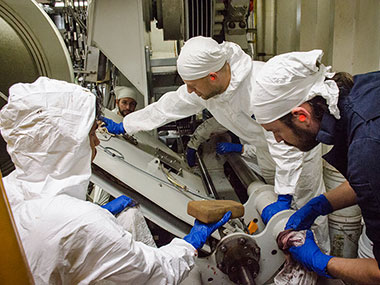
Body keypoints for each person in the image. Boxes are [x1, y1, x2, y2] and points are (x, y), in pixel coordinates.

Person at [101, 36, 329, 252]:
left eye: (192, 85)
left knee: (308, 208)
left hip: (297, 150)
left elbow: (287, 142)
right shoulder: (208, 90)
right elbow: (169, 106)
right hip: (265, 150)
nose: (190, 91)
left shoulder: (257, 86)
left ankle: (321, 261)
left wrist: (285, 194)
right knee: (276, 206)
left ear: (212, 76)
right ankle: (291, 254)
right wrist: (127, 125)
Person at [0, 77, 231, 284]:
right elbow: (153, 273)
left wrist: (100, 213)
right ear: (67, 143)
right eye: (91, 134)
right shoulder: (82, 223)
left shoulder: (9, 190)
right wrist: (190, 243)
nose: (97, 142)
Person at [251, 49, 380, 284]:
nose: (278, 140)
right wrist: (319, 206)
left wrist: (323, 262)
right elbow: (373, 183)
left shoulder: (366, 145)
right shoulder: (362, 90)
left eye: (276, 131)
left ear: (301, 115)